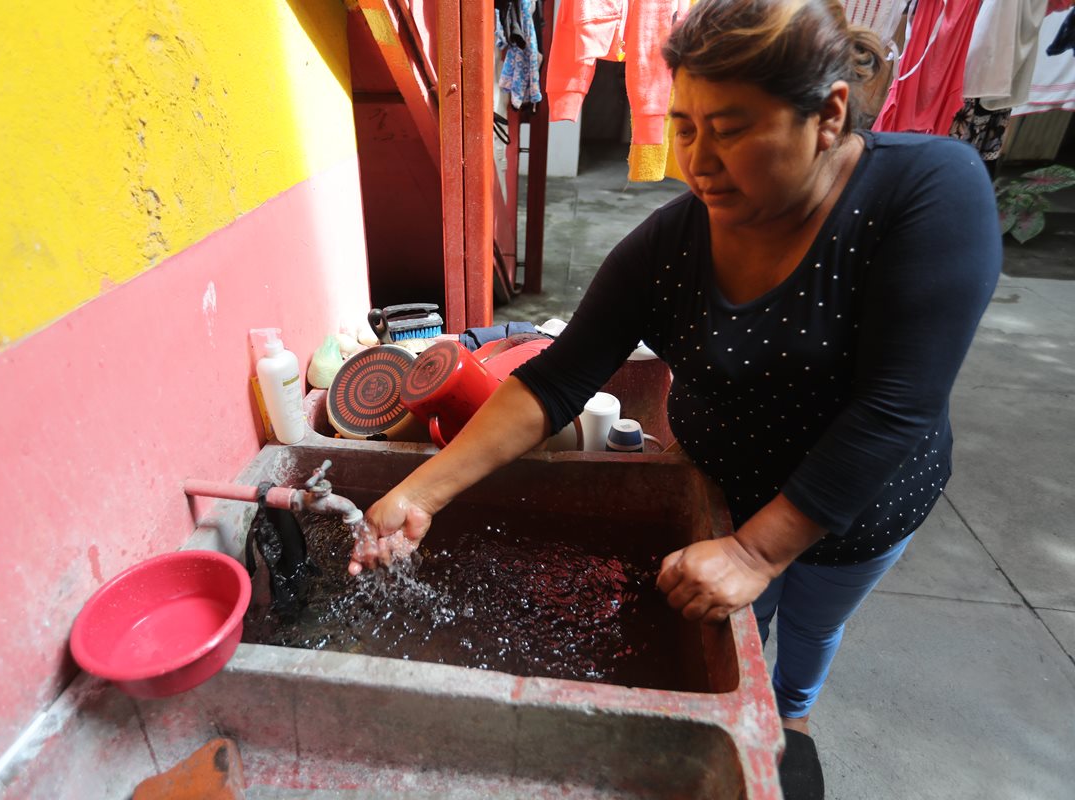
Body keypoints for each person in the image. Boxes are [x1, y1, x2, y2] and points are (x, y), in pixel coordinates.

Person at [351, 0, 1001, 740]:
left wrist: (758, 551)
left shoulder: (929, 193)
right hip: (718, 493)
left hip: (859, 506)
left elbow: (896, 406)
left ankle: (793, 717)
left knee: (816, 622)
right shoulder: (672, 242)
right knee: (730, 635)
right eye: (685, 128)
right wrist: (419, 494)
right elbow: (556, 379)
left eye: (730, 130)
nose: (698, 162)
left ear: (828, 114)